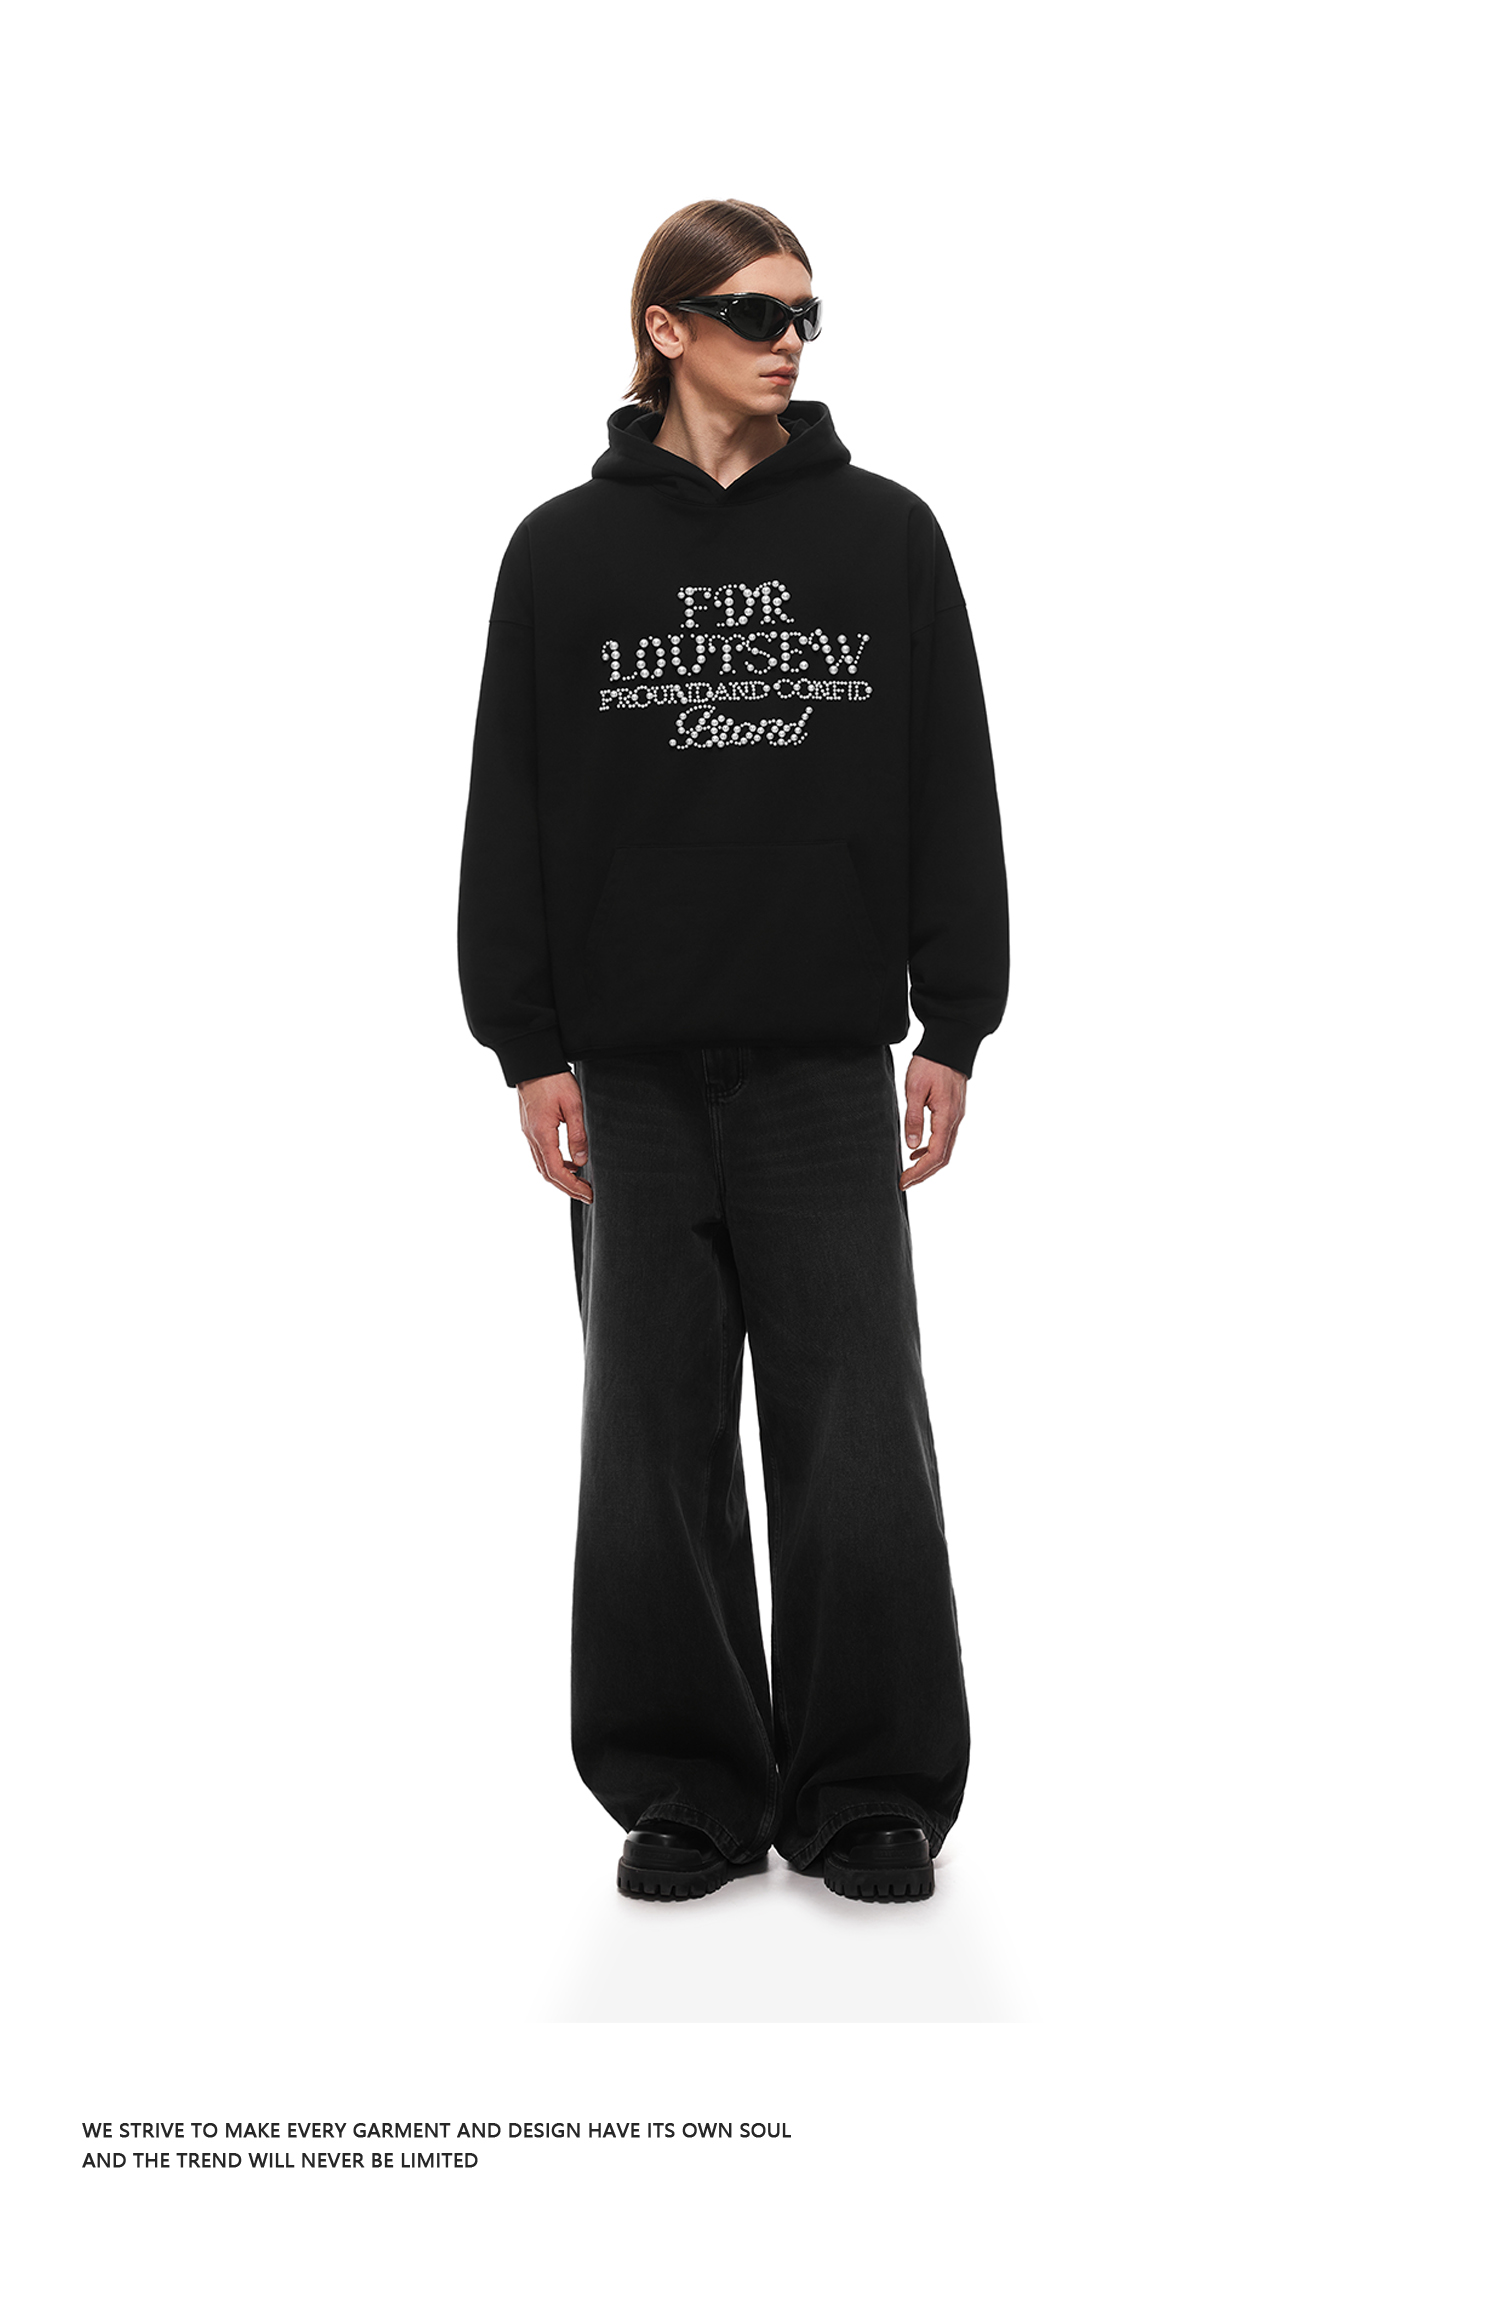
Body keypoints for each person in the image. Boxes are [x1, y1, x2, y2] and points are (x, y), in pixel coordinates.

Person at [458, 197, 1008, 1904]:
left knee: (858, 1433)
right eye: (758, 312)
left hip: (823, 1065)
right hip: (625, 1073)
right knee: (650, 1437)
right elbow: (512, 804)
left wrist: (956, 1017)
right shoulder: (561, 554)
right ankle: (686, 1788)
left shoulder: (885, 537)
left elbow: (948, 779)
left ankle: (869, 1789)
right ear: (669, 328)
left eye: (806, 315)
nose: (790, 342)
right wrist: (525, 1043)